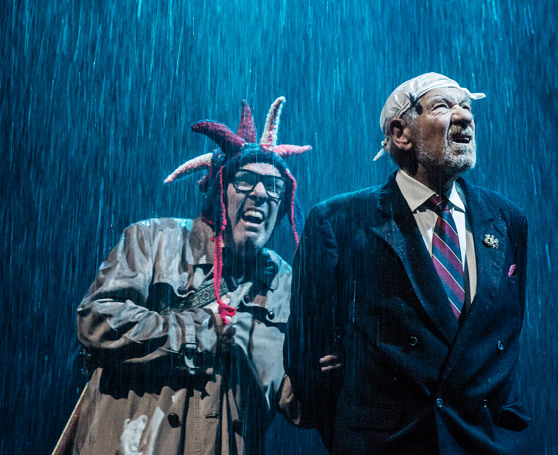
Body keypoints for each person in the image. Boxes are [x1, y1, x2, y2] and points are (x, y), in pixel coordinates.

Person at [284, 73, 530, 454]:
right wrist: (355, 435)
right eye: (443, 107)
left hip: (483, 442)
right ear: (401, 133)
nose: (464, 117)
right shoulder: (339, 221)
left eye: (466, 106)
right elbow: (305, 356)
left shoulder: (508, 220)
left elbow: (506, 334)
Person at [60, 97, 311, 455]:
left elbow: (294, 401)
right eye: (246, 181)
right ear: (220, 192)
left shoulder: (283, 283)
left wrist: (327, 368)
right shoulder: (154, 240)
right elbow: (95, 321)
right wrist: (199, 332)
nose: (260, 194)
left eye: (274, 188)